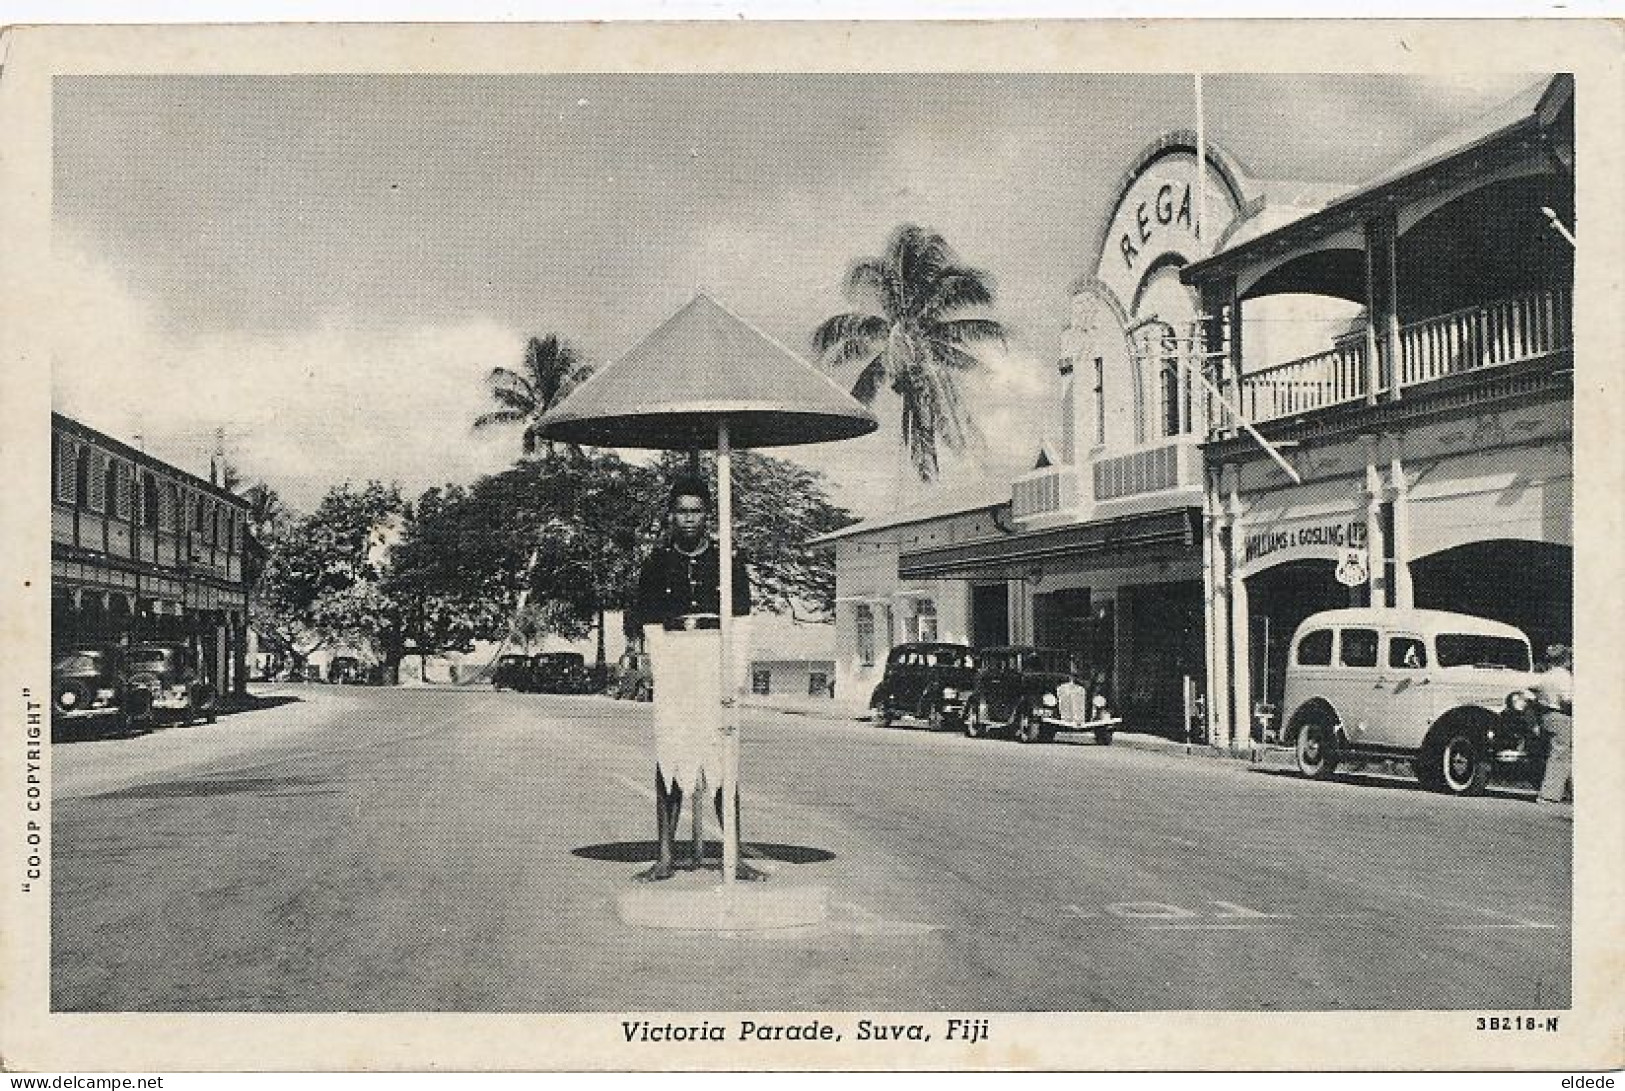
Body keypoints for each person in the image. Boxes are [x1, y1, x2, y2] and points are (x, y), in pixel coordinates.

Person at [623, 472, 763, 881]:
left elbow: (740, 621)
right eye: (681, 511)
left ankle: (733, 855)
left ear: (708, 516)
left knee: (725, 757)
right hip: (674, 661)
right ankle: (665, 855)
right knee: (671, 753)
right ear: (670, 516)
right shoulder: (655, 564)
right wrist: (655, 670)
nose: (689, 519)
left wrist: (734, 675)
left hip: (714, 659)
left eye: (696, 511)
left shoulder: (727, 562)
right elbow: (647, 623)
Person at [1534, 643, 1573, 805]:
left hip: (1545, 716)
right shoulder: (1564, 676)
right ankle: (1548, 795)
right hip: (1561, 717)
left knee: (1561, 754)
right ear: (1566, 660)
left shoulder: (1544, 676)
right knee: (1560, 755)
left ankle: (1569, 791)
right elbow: (1567, 699)